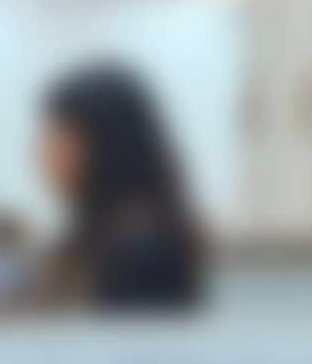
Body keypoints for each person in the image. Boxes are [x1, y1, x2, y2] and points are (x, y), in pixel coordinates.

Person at [36, 61, 209, 313]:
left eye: (61, 140)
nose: (46, 154)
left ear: (108, 145)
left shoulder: (140, 248)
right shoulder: (103, 230)